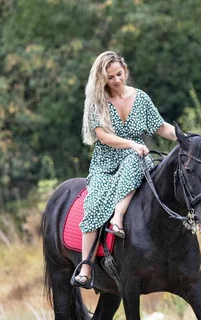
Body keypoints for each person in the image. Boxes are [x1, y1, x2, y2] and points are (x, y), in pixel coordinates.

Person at [74, 51, 177, 285]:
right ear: (103, 79)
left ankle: (118, 218)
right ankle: (85, 268)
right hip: (105, 162)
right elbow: (103, 136)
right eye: (110, 77)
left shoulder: (140, 98)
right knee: (93, 204)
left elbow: (161, 127)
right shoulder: (98, 102)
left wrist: (185, 139)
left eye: (119, 74)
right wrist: (132, 143)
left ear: (125, 72)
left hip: (134, 157)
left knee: (136, 159)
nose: (116, 80)